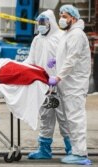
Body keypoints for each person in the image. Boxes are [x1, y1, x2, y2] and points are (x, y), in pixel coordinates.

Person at [24, 10, 72, 159]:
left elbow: (68, 59)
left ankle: (72, 149)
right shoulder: (37, 40)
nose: (41, 26)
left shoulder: (60, 38)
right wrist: (20, 67)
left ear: (51, 23)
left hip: (60, 84)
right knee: (45, 117)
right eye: (39, 23)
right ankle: (44, 150)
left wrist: (57, 67)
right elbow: (30, 60)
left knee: (65, 117)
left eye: (44, 23)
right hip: (44, 85)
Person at [47, 5, 92, 165]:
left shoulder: (77, 35)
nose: (62, 19)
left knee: (75, 118)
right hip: (69, 84)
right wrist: (55, 61)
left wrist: (58, 77)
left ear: (73, 18)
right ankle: (76, 150)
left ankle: (80, 154)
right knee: (71, 118)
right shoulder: (68, 34)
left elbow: (72, 59)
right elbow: (66, 56)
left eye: (65, 16)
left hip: (75, 84)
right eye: (61, 15)